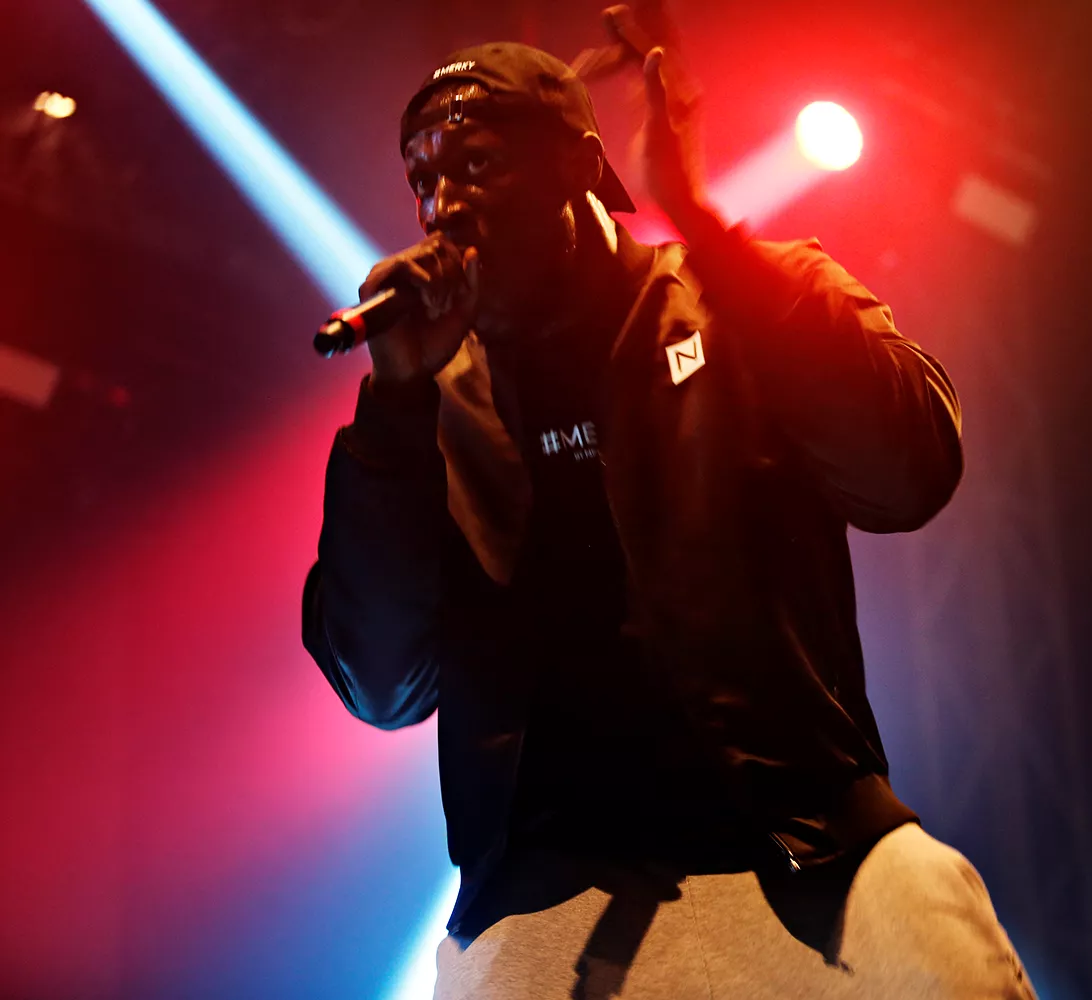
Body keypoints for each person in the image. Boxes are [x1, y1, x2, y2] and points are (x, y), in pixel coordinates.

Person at [301, 12, 1035, 999]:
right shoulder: (434, 402)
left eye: (477, 165)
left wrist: (704, 225)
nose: (445, 206)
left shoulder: (736, 300)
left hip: (810, 856)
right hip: (549, 901)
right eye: (423, 180)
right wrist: (394, 406)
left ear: (577, 166)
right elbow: (381, 684)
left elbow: (910, 472)